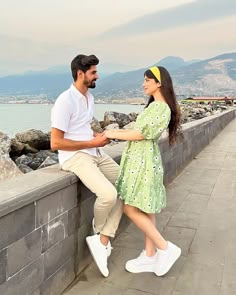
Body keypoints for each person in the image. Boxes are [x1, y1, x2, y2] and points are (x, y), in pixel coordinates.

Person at [104, 66, 182, 276]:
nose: (143, 83)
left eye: (147, 80)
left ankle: (165, 248)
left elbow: (140, 134)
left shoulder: (161, 108)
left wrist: (112, 133)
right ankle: (150, 255)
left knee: (129, 207)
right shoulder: (156, 106)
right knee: (147, 208)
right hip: (143, 160)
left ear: (159, 83)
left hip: (143, 162)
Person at [50, 54, 123, 278]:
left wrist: (99, 137)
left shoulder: (89, 98)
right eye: (93, 72)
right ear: (80, 74)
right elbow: (55, 143)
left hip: (95, 152)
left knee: (128, 185)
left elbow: (81, 127)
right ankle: (99, 231)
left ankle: (103, 238)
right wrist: (91, 142)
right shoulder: (65, 101)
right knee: (109, 194)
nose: (97, 76)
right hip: (75, 157)